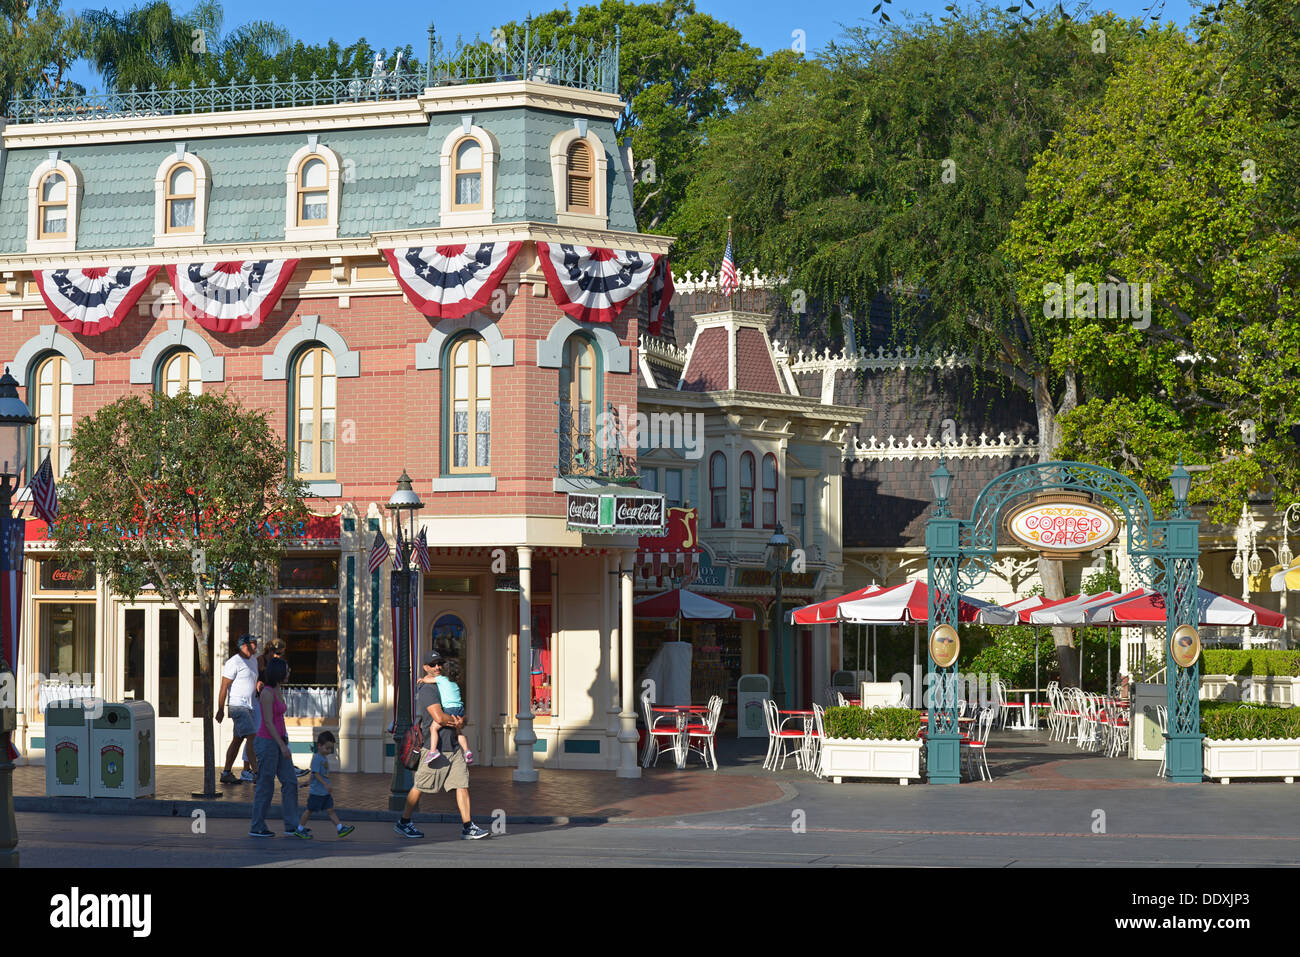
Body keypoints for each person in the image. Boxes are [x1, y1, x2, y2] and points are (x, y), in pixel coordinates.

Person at [395, 652, 489, 840]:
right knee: (420, 786)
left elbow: (463, 715)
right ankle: (404, 822)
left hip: (454, 747)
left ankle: (468, 826)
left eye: (439, 664)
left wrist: (461, 721)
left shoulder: (447, 685)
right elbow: (438, 717)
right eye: (433, 664)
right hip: (435, 749)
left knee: (462, 785)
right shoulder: (427, 690)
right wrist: (457, 722)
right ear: (425, 668)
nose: (437, 667)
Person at [249, 657, 311, 839]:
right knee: (266, 785)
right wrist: (282, 745)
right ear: (278, 672)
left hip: (280, 740)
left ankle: (292, 825)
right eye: (286, 669)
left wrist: (285, 742)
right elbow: (268, 722)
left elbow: (279, 720)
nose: (289, 672)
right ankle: (257, 825)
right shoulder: (267, 692)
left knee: (291, 782)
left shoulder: (278, 690)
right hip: (268, 742)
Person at [215, 634, 259, 785]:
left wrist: (258, 684)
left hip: (249, 706)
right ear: (244, 646)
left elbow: (251, 679)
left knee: (238, 740)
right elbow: (224, 687)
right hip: (238, 706)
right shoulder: (233, 662)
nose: (256, 646)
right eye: (254, 643)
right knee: (252, 736)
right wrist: (220, 709)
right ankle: (257, 773)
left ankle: (226, 772)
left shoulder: (253, 660)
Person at [299, 730, 354, 838]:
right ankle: (300, 829)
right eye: (327, 748)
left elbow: (313, 773)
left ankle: (340, 828)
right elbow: (315, 773)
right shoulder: (317, 758)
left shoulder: (323, 758)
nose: (329, 751)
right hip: (317, 793)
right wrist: (325, 784)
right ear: (319, 745)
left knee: (330, 810)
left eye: (331, 748)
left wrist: (309, 781)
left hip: (324, 793)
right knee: (309, 810)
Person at [429, 658, 472, 765]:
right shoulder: (455, 683)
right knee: (458, 732)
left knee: (433, 728)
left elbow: (428, 680)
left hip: (450, 709)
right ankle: (467, 751)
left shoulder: (441, 679)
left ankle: (433, 751)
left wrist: (422, 680)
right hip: (459, 709)